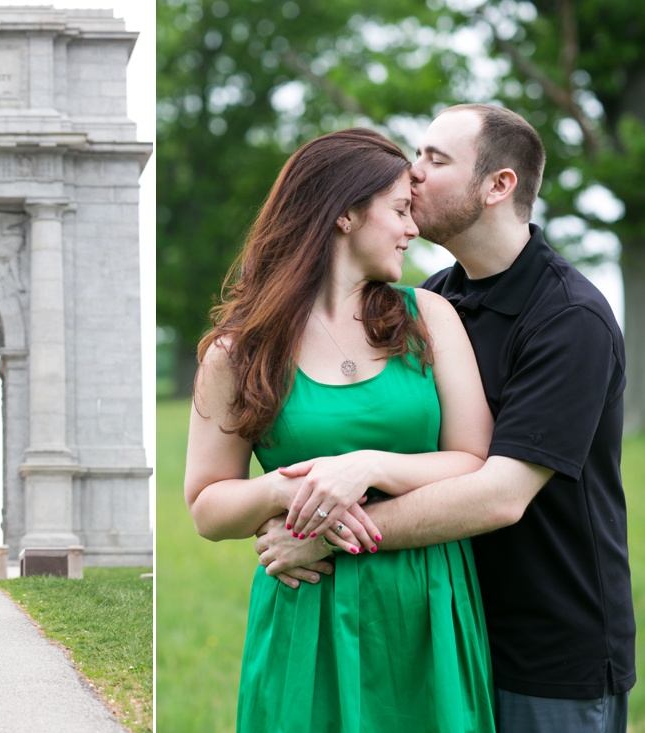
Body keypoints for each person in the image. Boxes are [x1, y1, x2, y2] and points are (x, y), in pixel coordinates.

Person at [256, 104, 635, 733]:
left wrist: (325, 534)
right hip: (443, 628)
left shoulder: (570, 319)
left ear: (498, 186)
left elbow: (498, 497)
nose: (414, 170)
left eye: (436, 158)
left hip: (545, 653)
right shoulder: (431, 301)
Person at [185, 128, 498, 732]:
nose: (413, 228)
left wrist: (368, 467)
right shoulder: (237, 352)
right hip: (309, 613)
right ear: (347, 214)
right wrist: (282, 491)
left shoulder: (429, 317)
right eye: (401, 210)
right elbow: (206, 506)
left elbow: (473, 458)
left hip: (428, 605)